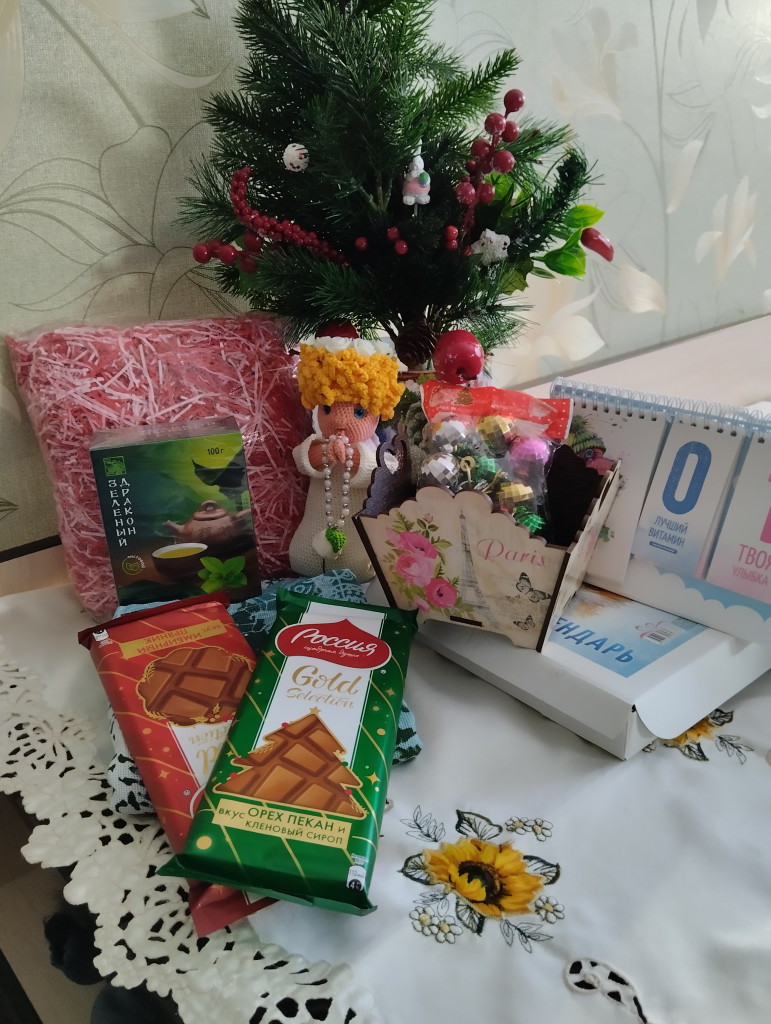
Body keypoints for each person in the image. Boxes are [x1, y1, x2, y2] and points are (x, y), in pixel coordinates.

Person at [288, 329, 403, 581]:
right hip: (316, 521)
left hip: (356, 529)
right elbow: (301, 460)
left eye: (359, 412)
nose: (340, 421)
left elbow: (385, 474)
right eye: (328, 409)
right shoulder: (319, 442)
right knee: (301, 557)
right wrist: (324, 453)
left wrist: (355, 458)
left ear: (377, 413)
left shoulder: (376, 449)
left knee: (357, 564)